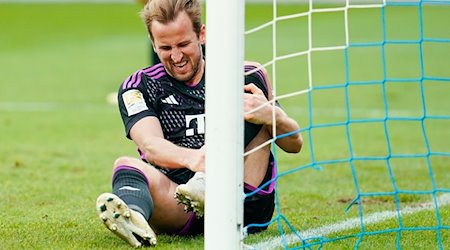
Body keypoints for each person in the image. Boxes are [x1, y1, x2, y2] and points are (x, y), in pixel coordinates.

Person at [95, 0, 303, 247]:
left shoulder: (245, 74)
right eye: (165, 47)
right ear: (153, 43)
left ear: (202, 34)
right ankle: (135, 217)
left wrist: (273, 116)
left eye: (183, 44)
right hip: (182, 203)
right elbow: (151, 145)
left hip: (244, 201)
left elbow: (294, 145)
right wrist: (198, 161)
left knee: (247, 105)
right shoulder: (139, 87)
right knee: (125, 165)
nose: (176, 56)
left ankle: (204, 185)